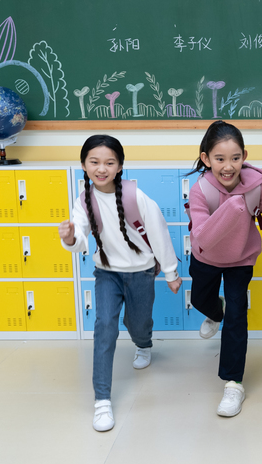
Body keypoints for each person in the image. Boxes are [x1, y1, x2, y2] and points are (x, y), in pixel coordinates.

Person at [59, 135, 181, 432]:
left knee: (138, 324)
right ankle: (102, 400)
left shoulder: (135, 196)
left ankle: (144, 344)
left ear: (120, 166)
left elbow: (159, 232)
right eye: (94, 162)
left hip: (141, 272)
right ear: (83, 165)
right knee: (105, 327)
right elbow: (81, 237)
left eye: (109, 162)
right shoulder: (83, 200)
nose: (101, 169)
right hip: (107, 274)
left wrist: (170, 272)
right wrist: (71, 238)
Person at [187, 120, 262, 417]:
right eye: (220, 159)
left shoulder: (257, 184)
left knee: (237, 315)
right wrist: (232, 208)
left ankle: (234, 383)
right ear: (206, 159)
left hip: (241, 258)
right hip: (206, 256)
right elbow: (202, 235)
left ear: (244, 156)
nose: (228, 166)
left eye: (235, 158)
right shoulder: (200, 190)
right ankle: (216, 312)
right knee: (200, 300)